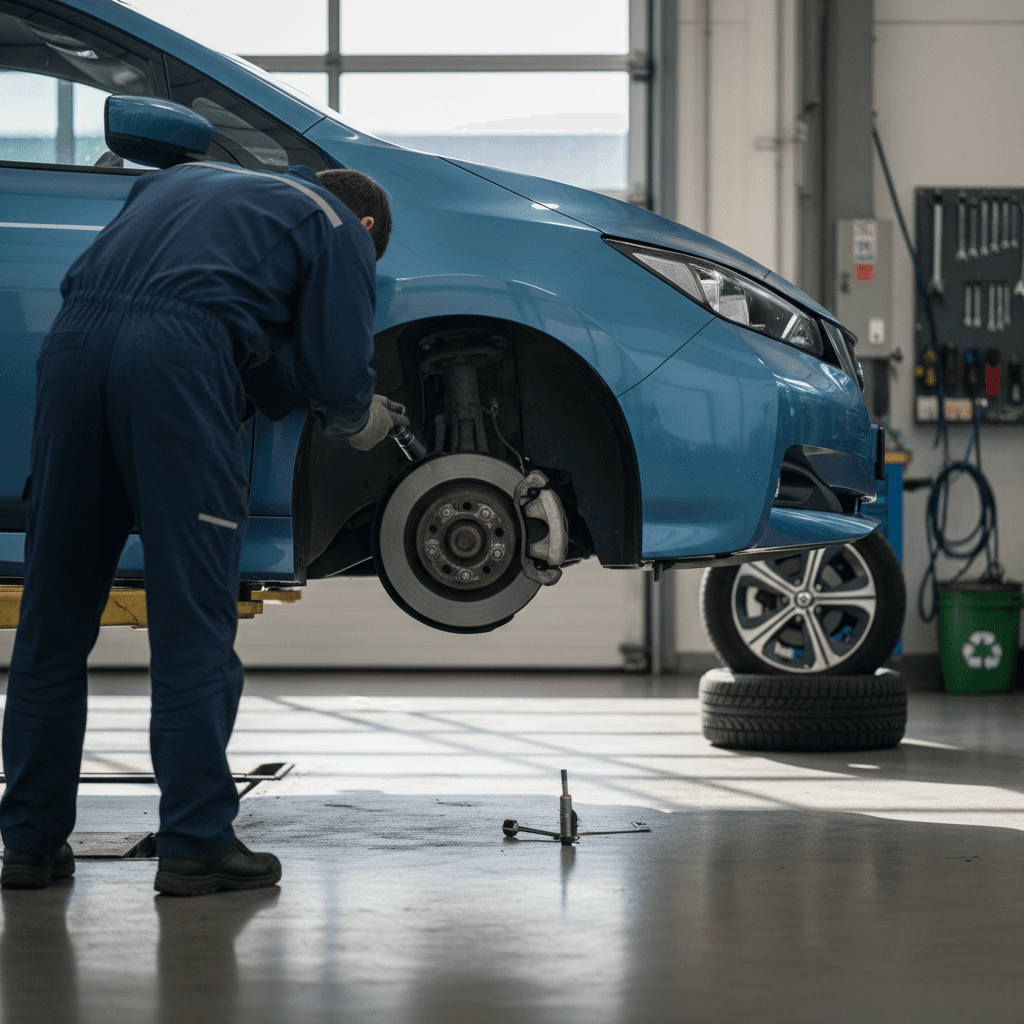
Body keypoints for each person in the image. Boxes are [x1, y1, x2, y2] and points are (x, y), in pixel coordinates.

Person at [0, 160, 407, 895]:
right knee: (192, 626)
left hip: (72, 351)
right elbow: (336, 369)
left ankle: (28, 846)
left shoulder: (179, 184)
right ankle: (196, 844)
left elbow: (239, 328)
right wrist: (361, 418)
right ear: (371, 226)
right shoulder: (340, 226)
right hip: (177, 371)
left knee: (51, 624)